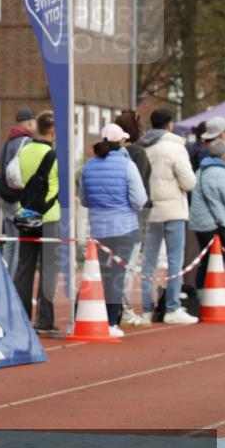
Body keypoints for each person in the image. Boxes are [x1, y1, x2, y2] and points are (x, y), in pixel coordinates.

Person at [79, 123, 148, 336]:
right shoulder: (128, 165)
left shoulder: (89, 165)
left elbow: (84, 199)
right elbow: (140, 200)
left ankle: (82, 316)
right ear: (122, 142)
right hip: (124, 227)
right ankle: (110, 323)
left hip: (98, 227)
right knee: (117, 276)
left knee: (95, 273)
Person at [139, 108, 197, 325]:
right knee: (174, 259)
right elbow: (189, 182)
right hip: (173, 209)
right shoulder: (175, 148)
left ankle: (146, 308)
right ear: (169, 124)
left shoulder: (143, 148)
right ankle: (172, 307)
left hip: (150, 209)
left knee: (148, 261)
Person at [10, 110, 61, 337]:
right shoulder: (54, 155)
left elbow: (15, 179)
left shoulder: (24, 151)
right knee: (48, 269)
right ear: (53, 132)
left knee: (24, 266)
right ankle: (44, 320)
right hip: (49, 216)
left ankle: (21, 318)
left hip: (27, 215)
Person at [113, 110, 151, 326]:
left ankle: (114, 309)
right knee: (126, 266)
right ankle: (124, 310)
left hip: (107, 216)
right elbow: (140, 192)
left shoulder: (105, 153)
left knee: (110, 265)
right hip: (132, 217)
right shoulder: (138, 155)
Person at [190, 139, 225, 288]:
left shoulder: (201, 170)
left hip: (199, 222)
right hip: (215, 224)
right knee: (217, 262)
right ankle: (215, 296)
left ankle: (200, 295)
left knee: (206, 261)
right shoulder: (221, 172)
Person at [0, 108, 38, 275]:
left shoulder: (8, 141)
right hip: (19, 198)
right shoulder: (27, 142)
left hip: (5, 196)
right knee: (19, 242)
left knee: (10, 242)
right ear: (31, 122)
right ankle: (13, 282)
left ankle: (4, 277)